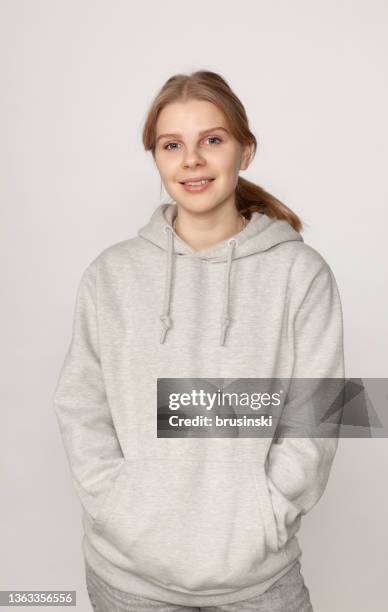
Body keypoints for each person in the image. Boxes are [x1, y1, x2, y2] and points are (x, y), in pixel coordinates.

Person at [53, 70, 345, 611]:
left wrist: (268, 514)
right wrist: (119, 507)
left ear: (245, 150)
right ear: (157, 158)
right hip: (128, 580)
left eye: (212, 140)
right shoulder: (110, 275)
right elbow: (81, 407)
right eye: (172, 145)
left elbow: (319, 412)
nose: (192, 160)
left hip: (258, 581)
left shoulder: (300, 275)